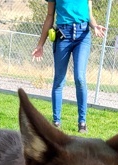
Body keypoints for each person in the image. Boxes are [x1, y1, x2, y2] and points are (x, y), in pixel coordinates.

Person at [32, 0, 106, 133]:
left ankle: (82, 122)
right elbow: (50, 16)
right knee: (59, 80)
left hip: (82, 36)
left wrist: (94, 26)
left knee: (80, 77)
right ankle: (56, 122)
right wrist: (40, 44)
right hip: (62, 35)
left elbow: (89, 14)